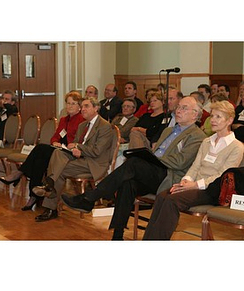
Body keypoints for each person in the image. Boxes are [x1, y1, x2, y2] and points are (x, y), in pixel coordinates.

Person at [62, 96, 206, 240]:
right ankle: (117, 235)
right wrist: (150, 158)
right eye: (179, 107)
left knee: (134, 163)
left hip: (169, 176)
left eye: (184, 108)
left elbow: (180, 162)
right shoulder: (168, 131)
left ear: (195, 114)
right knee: (127, 183)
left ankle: (90, 198)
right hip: (154, 171)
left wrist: (153, 159)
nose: (178, 110)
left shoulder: (197, 136)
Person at [143, 100, 244, 240]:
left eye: (218, 117)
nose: (213, 120)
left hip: (213, 190)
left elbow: (222, 175)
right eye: (212, 116)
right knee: (162, 196)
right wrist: (186, 180)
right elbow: (195, 166)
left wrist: (195, 185)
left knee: (172, 201)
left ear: (230, 120)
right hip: (194, 185)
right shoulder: (207, 141)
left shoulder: (236, 146)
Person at [0, 91, 84, 210]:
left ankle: (19, 173)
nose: (69, 106)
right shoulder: (64, 119)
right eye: (68, 103)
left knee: (40, 149)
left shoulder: (82, 120)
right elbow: (55, 136)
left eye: (73, 104)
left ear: (79, 106)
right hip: (58, 149)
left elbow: (79, 140)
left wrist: (65, 145)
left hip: (68, 153)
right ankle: (33, 196)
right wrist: (55, 142)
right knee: (39, 161)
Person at [32, 97, 113, 222]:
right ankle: (49, 187)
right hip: (80, 158)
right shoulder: (83, 125)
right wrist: (74, 148)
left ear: (96, 108)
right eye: (82, 106)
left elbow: (97, 151)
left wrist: (78, 147)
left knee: (58, 169)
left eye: (86, 106)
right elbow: (75, 143)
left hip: (94, 163)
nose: (83, 109)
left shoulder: (104, 126)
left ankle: (50, 200)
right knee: (57, 153)